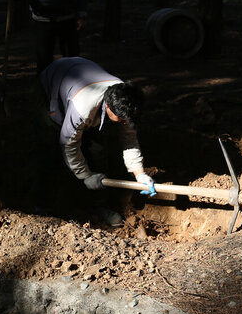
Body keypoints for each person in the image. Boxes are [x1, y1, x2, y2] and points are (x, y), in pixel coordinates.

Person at [38, 57, 156, 225]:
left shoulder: (125, 99)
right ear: (108, 107)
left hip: (82, 86)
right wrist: (85, 176)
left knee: (98, 151)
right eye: (121, 120)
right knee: (51, 150)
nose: (124, 123)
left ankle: (99, 207)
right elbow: (68, 143)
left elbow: (129, 138)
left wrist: (140, 174)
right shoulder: (83, 108)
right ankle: (42, 206)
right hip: (52, 85)